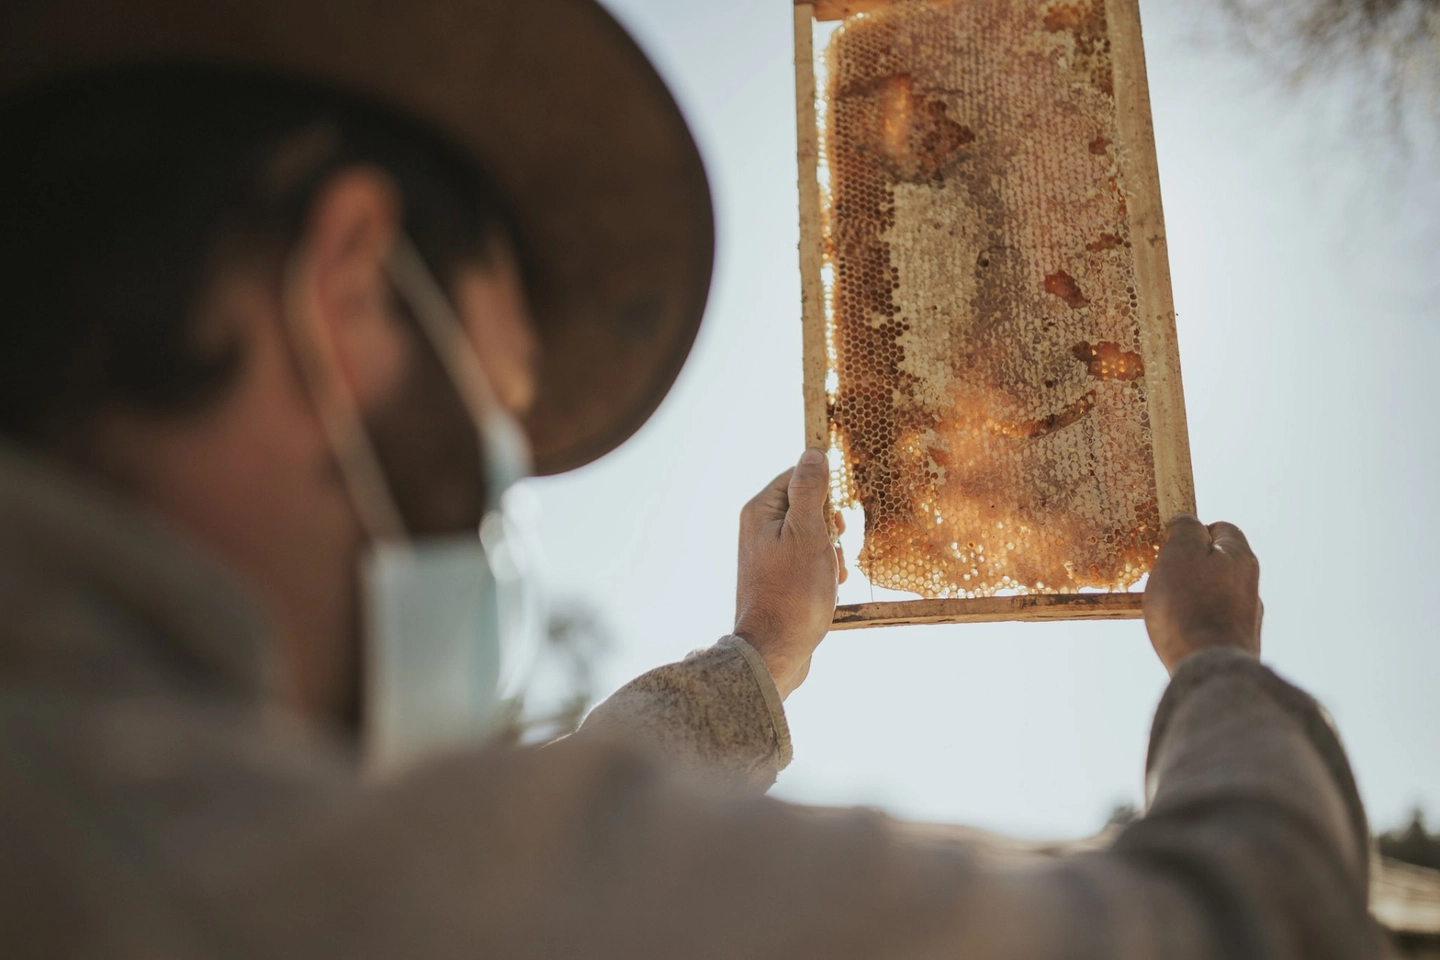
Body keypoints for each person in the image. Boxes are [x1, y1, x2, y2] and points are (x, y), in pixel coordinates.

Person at [0, 0, 1385, 956]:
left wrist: (754, 661)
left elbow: (506, 863)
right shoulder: (246, 882)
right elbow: (1249, 931)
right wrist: (1218, 665)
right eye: (500, 411)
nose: (494, 501)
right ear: (348, 286)